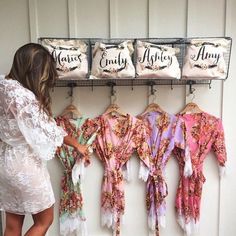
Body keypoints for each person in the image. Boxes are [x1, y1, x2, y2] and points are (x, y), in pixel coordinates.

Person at [0, 43, 88, 236]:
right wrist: (78, 145)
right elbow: (48, 129)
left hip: (6, 163)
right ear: (34, 71)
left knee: (12, 225)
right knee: (44, 221)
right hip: (24, 164)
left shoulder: (3, 86)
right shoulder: (22, 97)